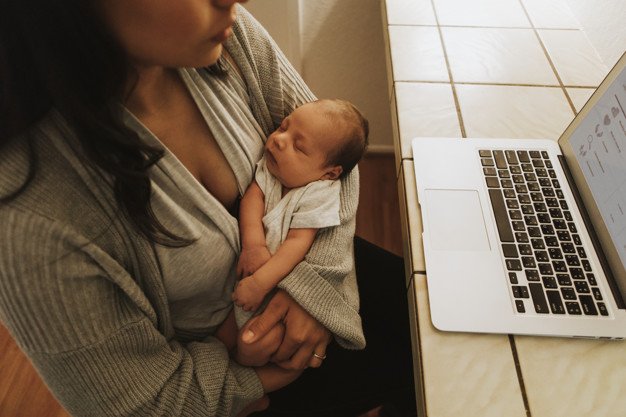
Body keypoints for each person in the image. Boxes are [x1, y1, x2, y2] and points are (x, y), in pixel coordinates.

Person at [0, 1, 416, 416]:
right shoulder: (27, 213)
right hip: (230, 379)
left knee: (437, 330)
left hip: (299, 270)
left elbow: (338, 155)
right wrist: (251, 382)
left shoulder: (224, 35)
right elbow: (142, 403)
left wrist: (314, 288)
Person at [216, 99, 369, 366]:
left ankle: (258, 381)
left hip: (281, 287)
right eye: (283, 127)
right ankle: (231, 380)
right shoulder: (272, 169)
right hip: (247, 282)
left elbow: (297, 244)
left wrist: (260, 283)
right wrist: (253, 246)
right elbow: (253, 198)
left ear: (328, 173)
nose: (279, 140)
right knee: (221, 339)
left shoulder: (319, 194)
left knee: (257, 343)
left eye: (298, 147)